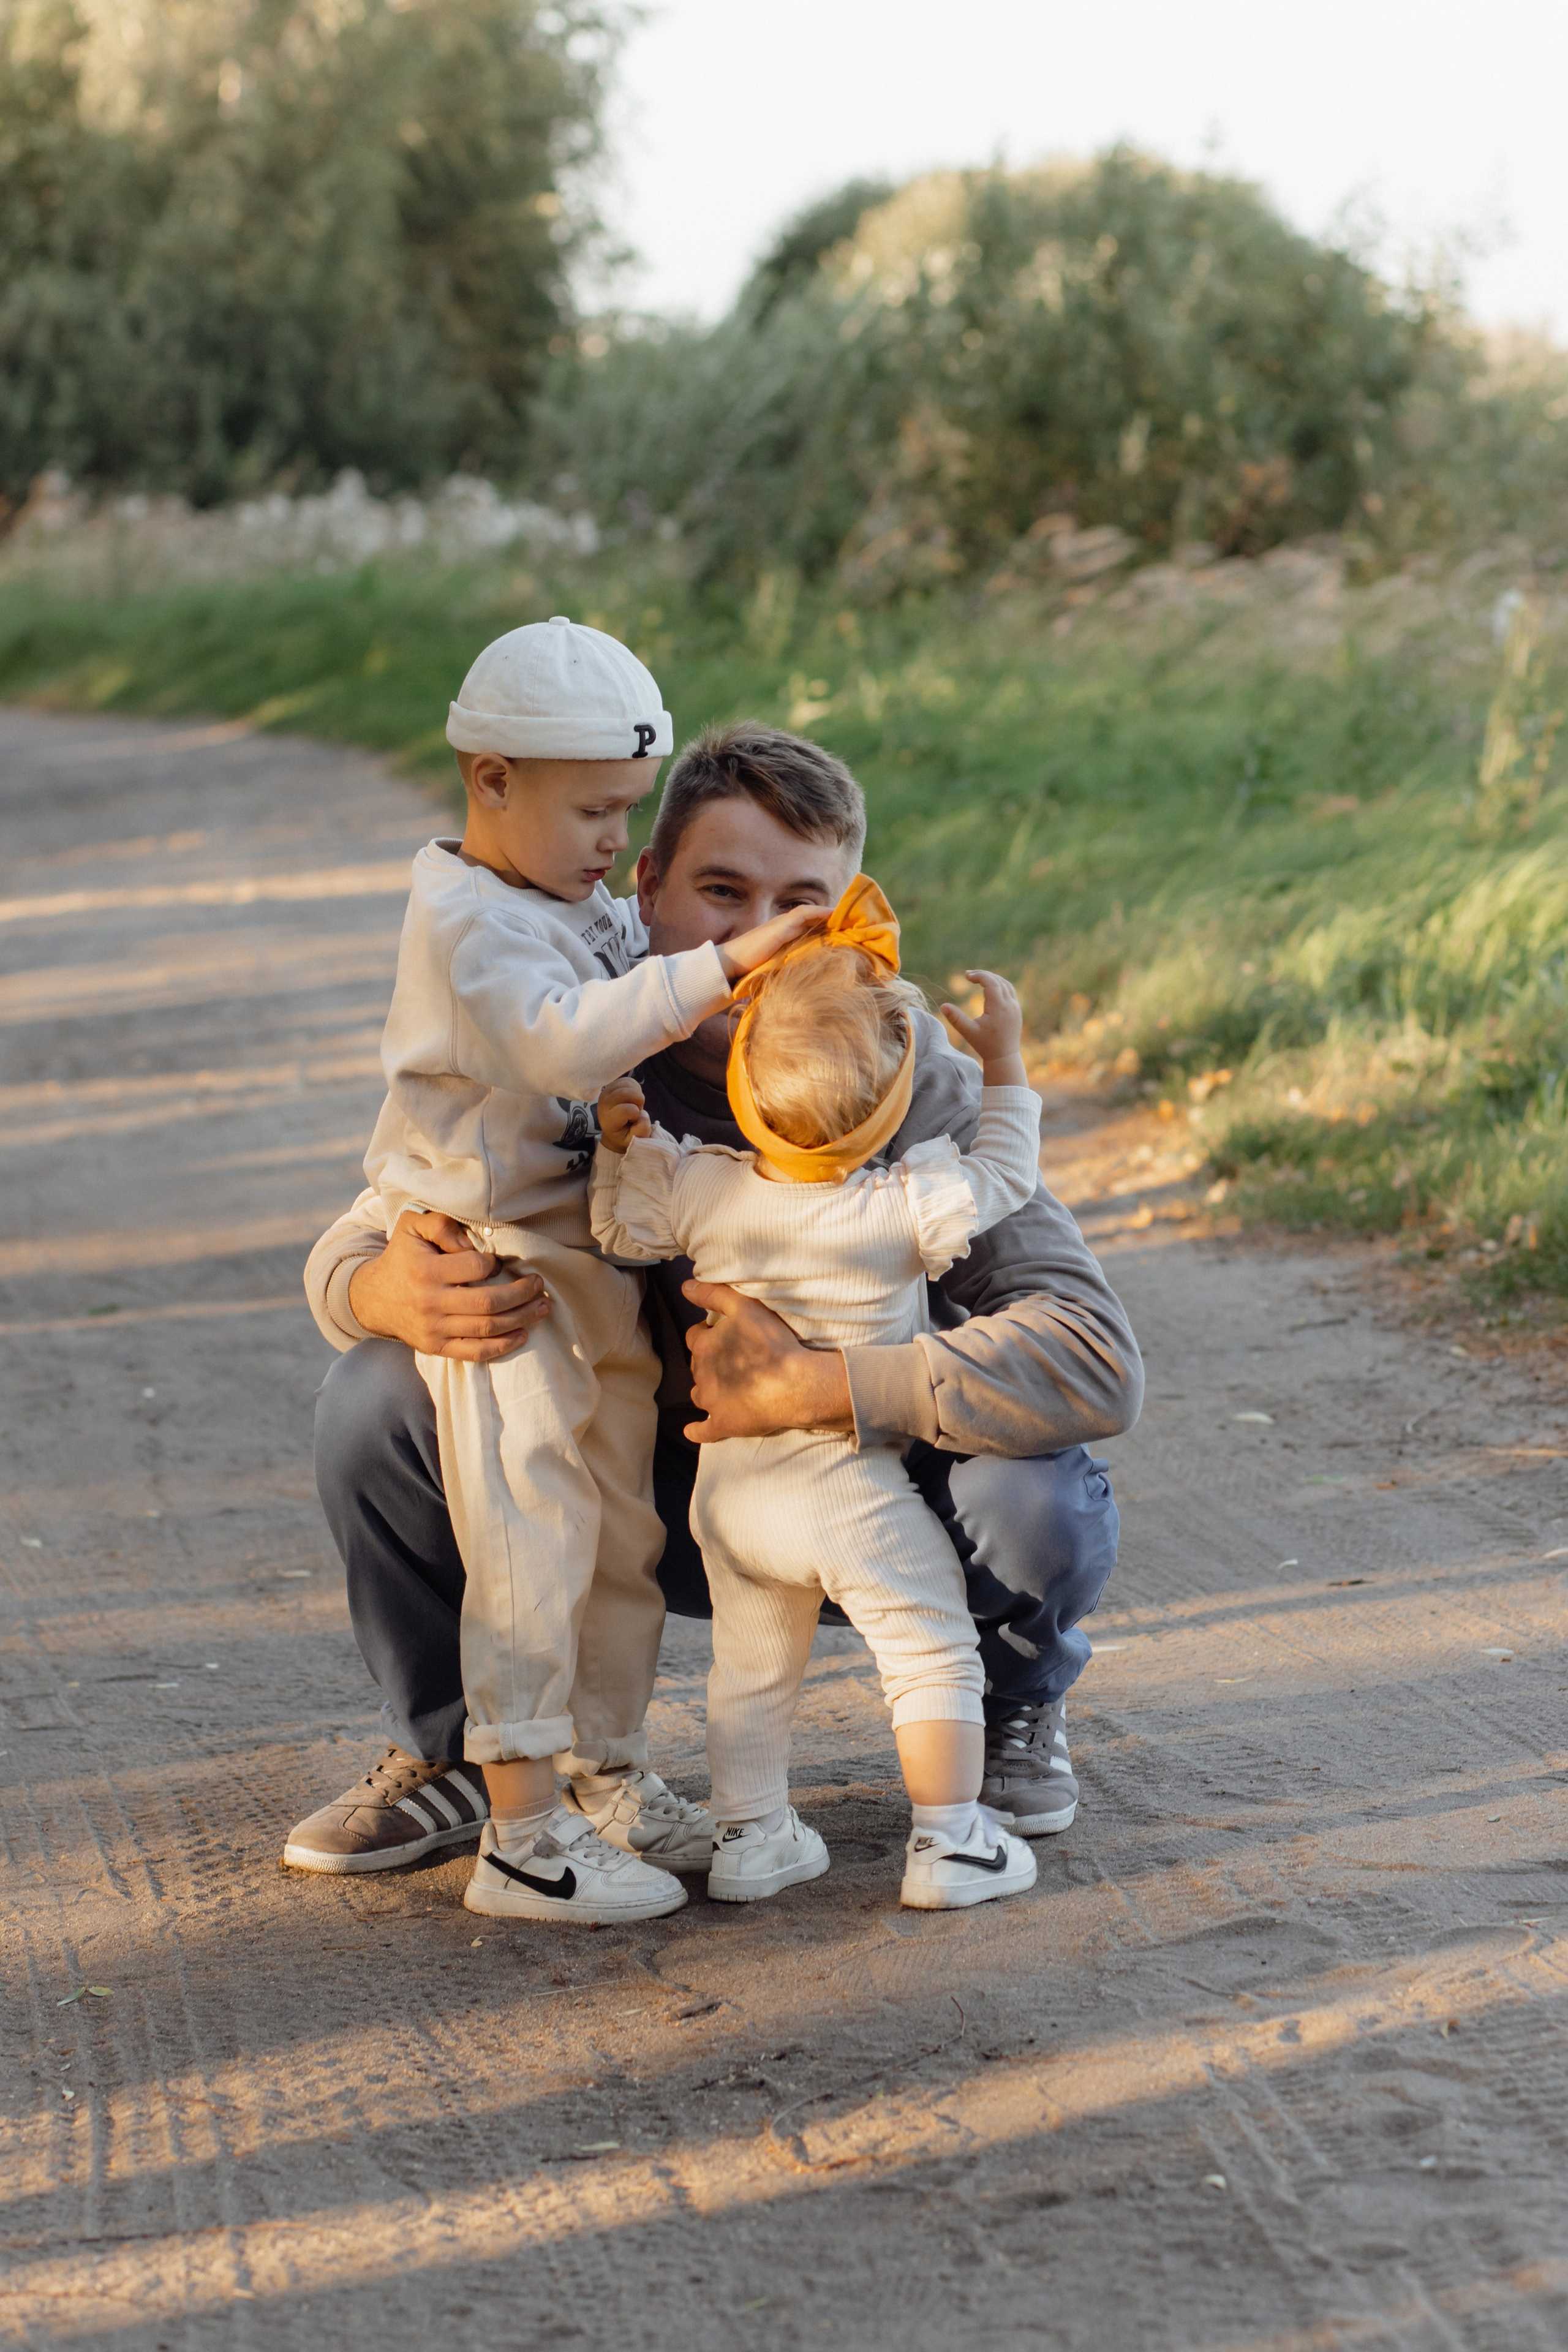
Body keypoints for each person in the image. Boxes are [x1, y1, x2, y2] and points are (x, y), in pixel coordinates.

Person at [291, 722, 1144, 1881]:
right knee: (378, 1392)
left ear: (849, 922)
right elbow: (375, 1220)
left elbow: (1092, 1356)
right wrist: (374, 1286)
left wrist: (827, 1385)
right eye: (722, 893)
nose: (760, 939)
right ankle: (458, 1748)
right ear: (645, 887)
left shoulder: (907, 1081)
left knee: (1031, 1487)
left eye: (802, 905)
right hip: (644, 1495)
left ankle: (1008, 1700)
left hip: (879, 1489)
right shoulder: (568, 1036)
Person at [328, 615, 821, 1927]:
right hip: (505, 1288)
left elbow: (601, 1051)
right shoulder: (468, 924)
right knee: (531, 1546)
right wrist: (719, 965)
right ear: (491, 779)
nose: (616, 840)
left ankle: (606, 1775)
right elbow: (558, 1041)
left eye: (628, 810)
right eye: (594, 810)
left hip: (588, 1270)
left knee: (619, 1540)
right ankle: (522, 1835)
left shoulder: (564, 895)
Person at [592, 879, 1043, 1911]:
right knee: (930, 1644)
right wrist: (1006, 1067)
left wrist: (625, 1147)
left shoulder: (702, 1187)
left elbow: (620, 1230)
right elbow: (1008, 1174)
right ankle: (951, 1841)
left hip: (732, 1500)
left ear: (745, 1087)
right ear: (891, 1102)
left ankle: (752, 1840)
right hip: (849, 1493)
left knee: (751, 1675)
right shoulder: (903, 1205)